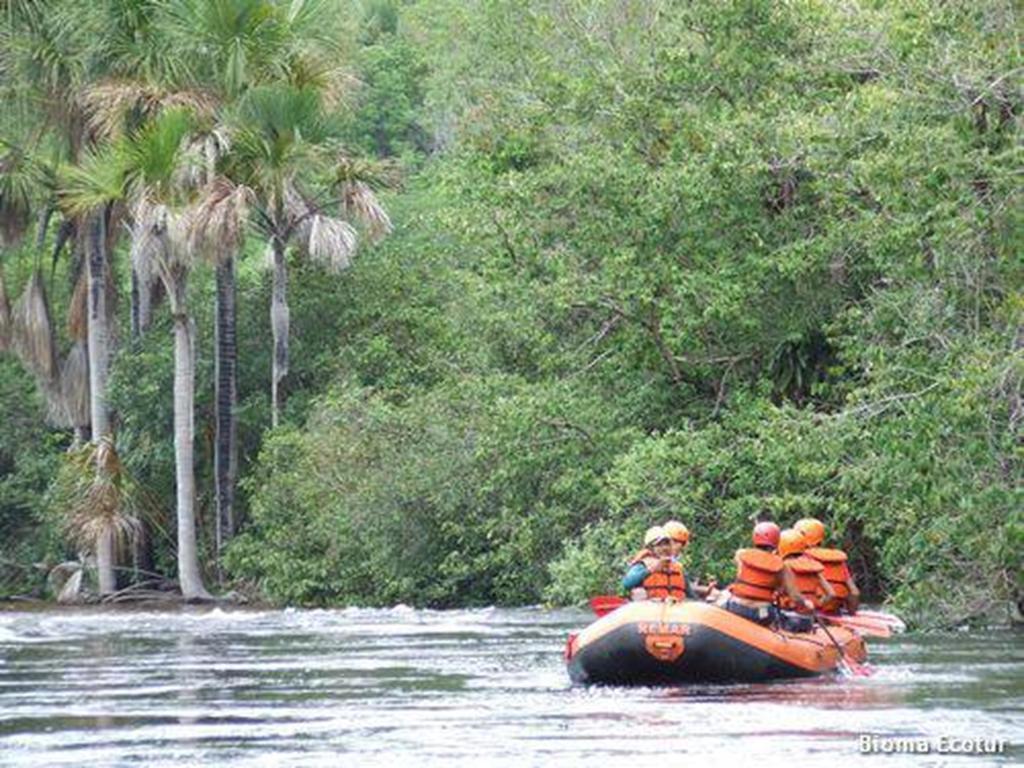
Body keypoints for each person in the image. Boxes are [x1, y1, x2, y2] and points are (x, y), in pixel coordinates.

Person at [718, 521, 808, 626]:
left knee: (719, 602)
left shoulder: (741, 556)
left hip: (737, 608)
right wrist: (806, 603)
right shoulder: (781, 565)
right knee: (780, 618)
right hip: (761, 614)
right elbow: (795, 596)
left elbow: (741, 558)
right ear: (777, 541)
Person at [795, 517, 861, 613]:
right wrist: (851, 613)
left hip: (810, 610)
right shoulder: (838, 561)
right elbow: (855, 592)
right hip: (834, 610)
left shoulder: (799, 560)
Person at [776, 528, 834, 632]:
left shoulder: (783, 567)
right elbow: (831, 594)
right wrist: (817, 604)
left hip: (788, 619)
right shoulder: (813, 567)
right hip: (808, 620)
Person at [622, 526, 686, 601]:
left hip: (675, 608)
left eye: (667, 544)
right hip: (652, 608)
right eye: (659, 545)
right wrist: (652, 569)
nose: (665, 548)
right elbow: (627, 583)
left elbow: (689, 592)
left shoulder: (676, 566)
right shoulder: (644, 565)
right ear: (651, 548)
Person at [663, 519, 715, 599]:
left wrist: (706, 591)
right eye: (675, 542)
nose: (680, 548)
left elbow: (687, 588)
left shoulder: (676, 566)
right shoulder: (648, 564)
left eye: (682, 544)